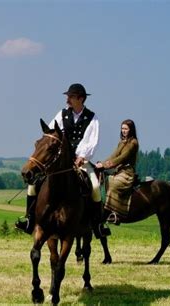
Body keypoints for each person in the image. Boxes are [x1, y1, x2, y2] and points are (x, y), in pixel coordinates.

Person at [16, 83, 109, 237]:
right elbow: (51, 132)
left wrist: (82, 156)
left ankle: (97, 224)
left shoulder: (92, 118)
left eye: (71, 97)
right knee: (33, 185)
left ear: (81, 99)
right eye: (68, 97)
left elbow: (92, 141)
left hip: (81, 161)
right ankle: (29, 220)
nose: (67, 100)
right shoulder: (62, 114)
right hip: (60, 160)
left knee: (94, 186)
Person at [96, 119, 139, 225]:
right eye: (122, 128)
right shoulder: (122, 142)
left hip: (127, 172)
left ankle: (115, 213)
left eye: (126, 129)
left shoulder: (133, 143)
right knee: (103, 181)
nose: (124, 131)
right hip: (119, 170)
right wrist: (101, 163)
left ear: (131, 130)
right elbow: (114, 155)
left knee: (112, 183)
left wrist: (105, 165)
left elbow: (121, 158)